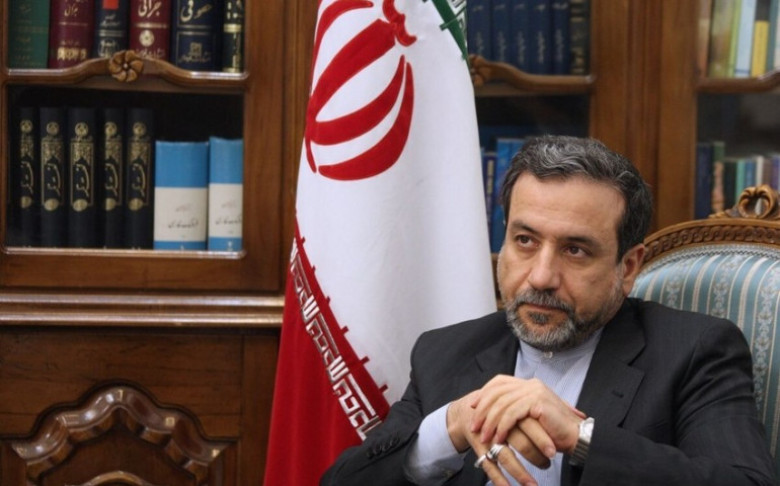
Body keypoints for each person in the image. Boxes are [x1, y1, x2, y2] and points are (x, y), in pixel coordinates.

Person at [320, 135, 777, 486]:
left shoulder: (694, 351)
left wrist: (580, 438)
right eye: (525, 241)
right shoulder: (446, 352)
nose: (540, 277)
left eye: (575, 250)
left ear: (628, 267)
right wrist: (450, 427)